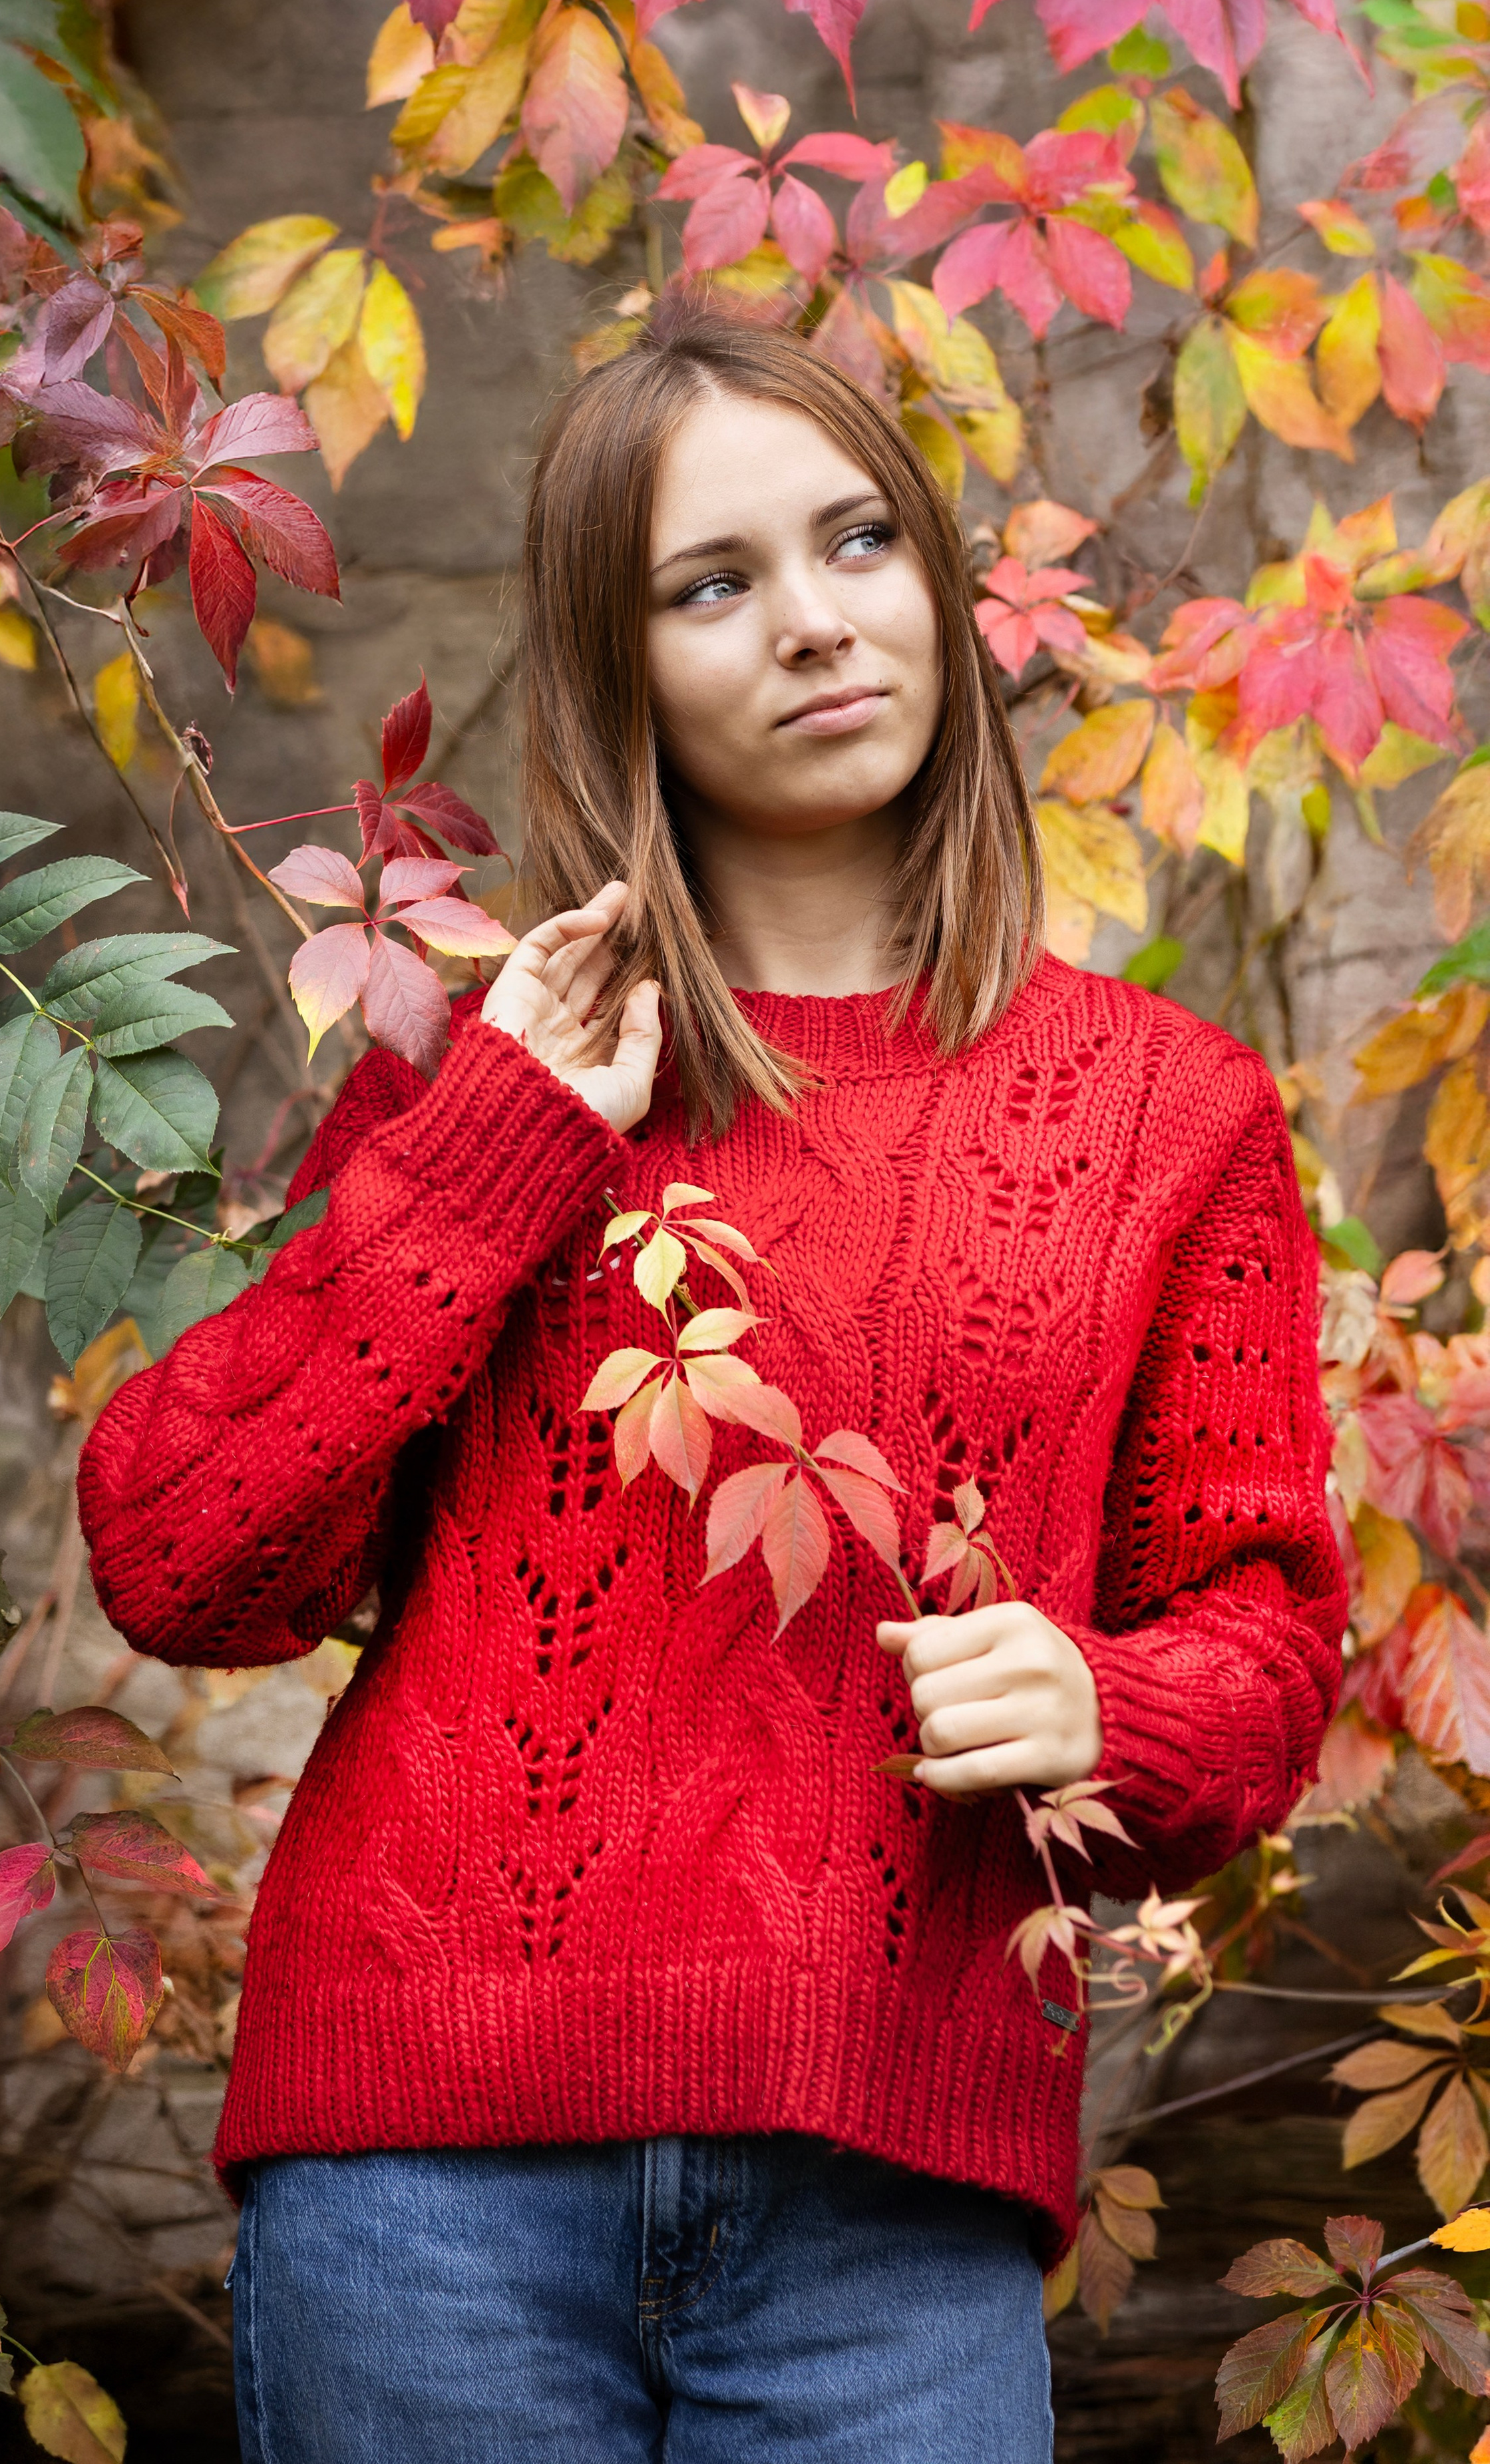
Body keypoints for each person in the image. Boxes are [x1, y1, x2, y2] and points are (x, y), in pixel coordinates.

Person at [78, 307, 1349, 2461]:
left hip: (896, 2201)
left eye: (857, 540)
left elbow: (1266, 1634)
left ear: (938, 581)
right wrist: (497, 1150)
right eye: (712, 582)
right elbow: (182, 1554)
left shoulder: (1172, 1113)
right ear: (624, 662)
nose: (814, 624)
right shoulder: (493, 1068)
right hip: (427, 2173)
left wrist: (1105, 1704)